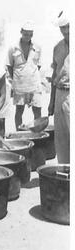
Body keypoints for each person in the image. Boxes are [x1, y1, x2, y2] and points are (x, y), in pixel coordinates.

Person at [6, 21, 42, 130]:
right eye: (26, 34)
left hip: (34, 84)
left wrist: (30, 73)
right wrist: (14, 81)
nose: (28, 37)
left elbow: (38, 66)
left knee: (37, 110)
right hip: (19, 85)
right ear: (21, 32)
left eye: (30, 34)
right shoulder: (13, 47)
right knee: (19, 110)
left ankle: (37, 132)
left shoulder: (37, 47)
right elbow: (9, 66)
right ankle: (19, 132)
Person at [48, 11, 70, 164]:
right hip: (60, 94)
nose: (66, 31)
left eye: (68, 26)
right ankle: (65, 173)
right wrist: (51, 101)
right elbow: (54, 74)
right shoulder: (57, 47)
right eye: (62, 28)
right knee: (61, 138)